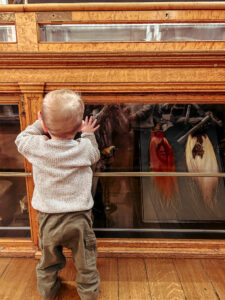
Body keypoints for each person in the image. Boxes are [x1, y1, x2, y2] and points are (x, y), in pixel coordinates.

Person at [15, 89, 100, 300]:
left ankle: (47, 292)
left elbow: (21, 138)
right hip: (79, 219)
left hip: (48, 219)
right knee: (85, 261)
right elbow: (95, 153)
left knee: (48, 261)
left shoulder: (37, 147)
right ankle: (89, 294)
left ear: (44, 124)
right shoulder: (83, 149)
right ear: (79, 125)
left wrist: (39, 123)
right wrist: (88, 133)